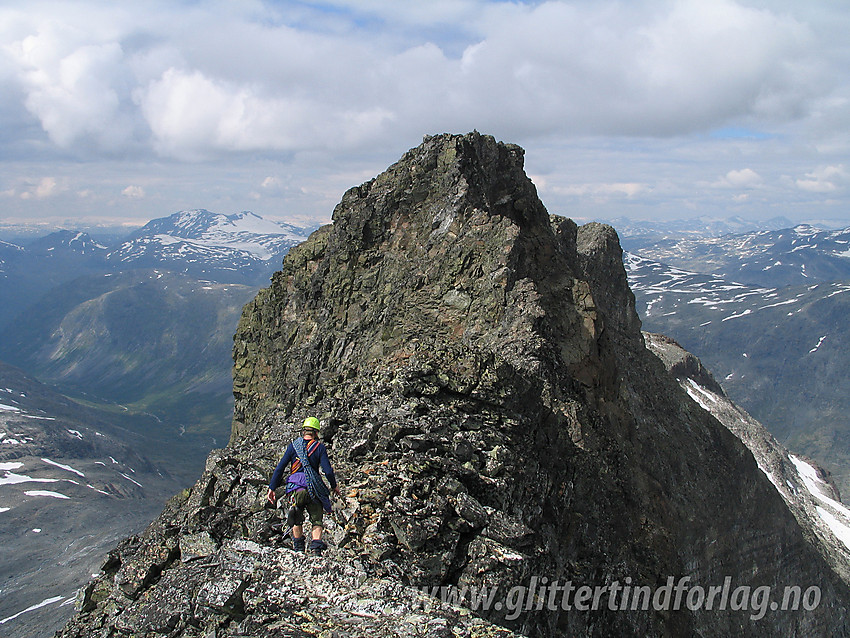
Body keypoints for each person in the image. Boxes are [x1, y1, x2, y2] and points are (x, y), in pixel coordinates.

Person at [267, 417, 341, 555]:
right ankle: (316, 550)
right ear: (316, 433)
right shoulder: (319, 448)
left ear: (303, 431)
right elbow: (328, 471)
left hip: (296, 489)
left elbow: (280, 468)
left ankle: (299, 549)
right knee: (317, 520)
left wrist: (272, 488)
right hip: (313, 489)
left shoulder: (293, 446)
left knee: (296, 518)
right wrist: (333, 486)